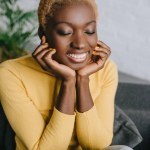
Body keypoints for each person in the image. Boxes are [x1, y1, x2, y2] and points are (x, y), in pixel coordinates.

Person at [0, 0, 133, 150]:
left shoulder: (106, 69)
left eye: (89, 31)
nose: (80, 44)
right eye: (65, 32)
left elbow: (96, 145)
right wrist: (68, 82)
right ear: (43, 35)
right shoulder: (11, 73)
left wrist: (82, 80)